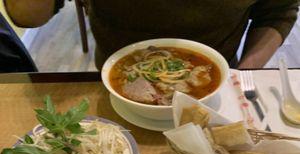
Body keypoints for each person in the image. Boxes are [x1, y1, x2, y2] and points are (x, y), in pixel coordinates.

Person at [4, 0, 299, 69]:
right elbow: (27, 15)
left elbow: (278, 11)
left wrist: (241, 77)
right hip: (113, 80)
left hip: (217, 83)